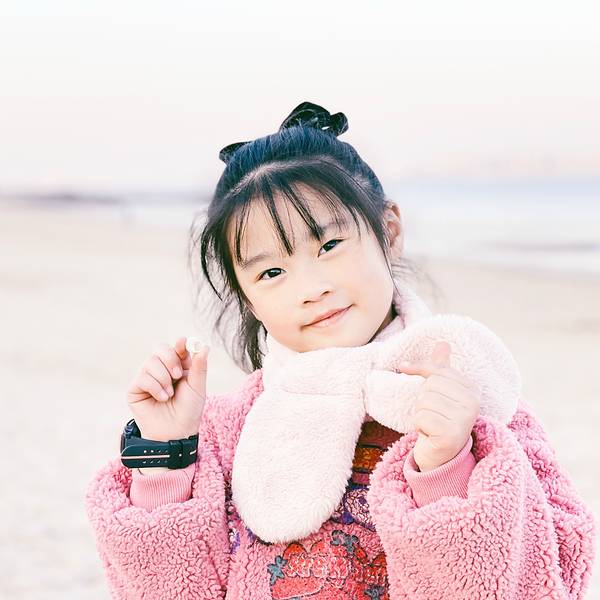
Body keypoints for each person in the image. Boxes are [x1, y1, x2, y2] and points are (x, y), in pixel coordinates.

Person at [85, 101, 596, 599]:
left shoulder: (478, 400)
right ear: (248, 300)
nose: (311, 288)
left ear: (389, 232)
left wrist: (447, 469)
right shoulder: (227, 432)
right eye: (271, 272)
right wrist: (166, 455)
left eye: (328, 246)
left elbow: (559, 573)